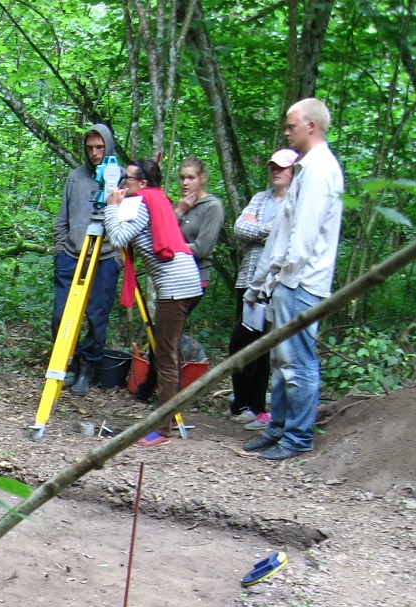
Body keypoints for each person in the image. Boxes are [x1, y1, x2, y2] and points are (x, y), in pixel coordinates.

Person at [243, 98, 345, 462]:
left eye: (291, 126)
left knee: (298, 363)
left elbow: (302, 236)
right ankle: (278, 429)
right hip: (288, 283)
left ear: (311, 126)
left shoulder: (320, 171)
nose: (286, 132)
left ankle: (297, 438)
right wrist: (264, 282)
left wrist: (284, 278)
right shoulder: (306, 169)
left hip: (301, 284)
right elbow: (283, 232)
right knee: (282, 361)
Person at [104, 158, 204, 448]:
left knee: (166, 357)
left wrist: (112, 206)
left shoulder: (141, 201)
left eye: (129, 180)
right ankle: (166, 418)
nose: (124, 184)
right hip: (185, 280)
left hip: (176, 286)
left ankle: (162, 429)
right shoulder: (155, 199)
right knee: (167, 354)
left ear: (143, 184)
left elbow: (119, 236)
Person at [227, 149, 297, 426]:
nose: (276, 172)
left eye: (282, 168)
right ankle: (241, 402)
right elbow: (239, 229)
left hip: (273, 283)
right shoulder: (260, 198)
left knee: (263, 345)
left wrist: (260, 228)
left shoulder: (295, 201)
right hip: (247, 280)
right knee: (240, 343)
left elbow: (287, 234)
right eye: (273, 167)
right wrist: (268, 228)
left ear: (293, 171)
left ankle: (255, 406)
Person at [51, 124, 122, 396]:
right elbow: (62, 217)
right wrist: (59, 249)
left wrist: (117, 256)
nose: (94, 153)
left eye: (100, 147)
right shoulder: (75, 177)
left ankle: (87, 370)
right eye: (90, 147)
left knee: (95, 317)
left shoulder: (122, 178)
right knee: (61, 315)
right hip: (71, 254)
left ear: (108, 147)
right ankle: (65, 363)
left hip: (104, 257)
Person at [175, 156, 225, 289]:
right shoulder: (177, 206)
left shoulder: (212, 207)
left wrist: (170, 248)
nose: (185, 183)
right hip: (172, 274)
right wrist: (179, 211)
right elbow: (161, 235)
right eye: (182, 177)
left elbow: (201, 249)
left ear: (202, 179)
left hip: (196, 275)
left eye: (191, 178)